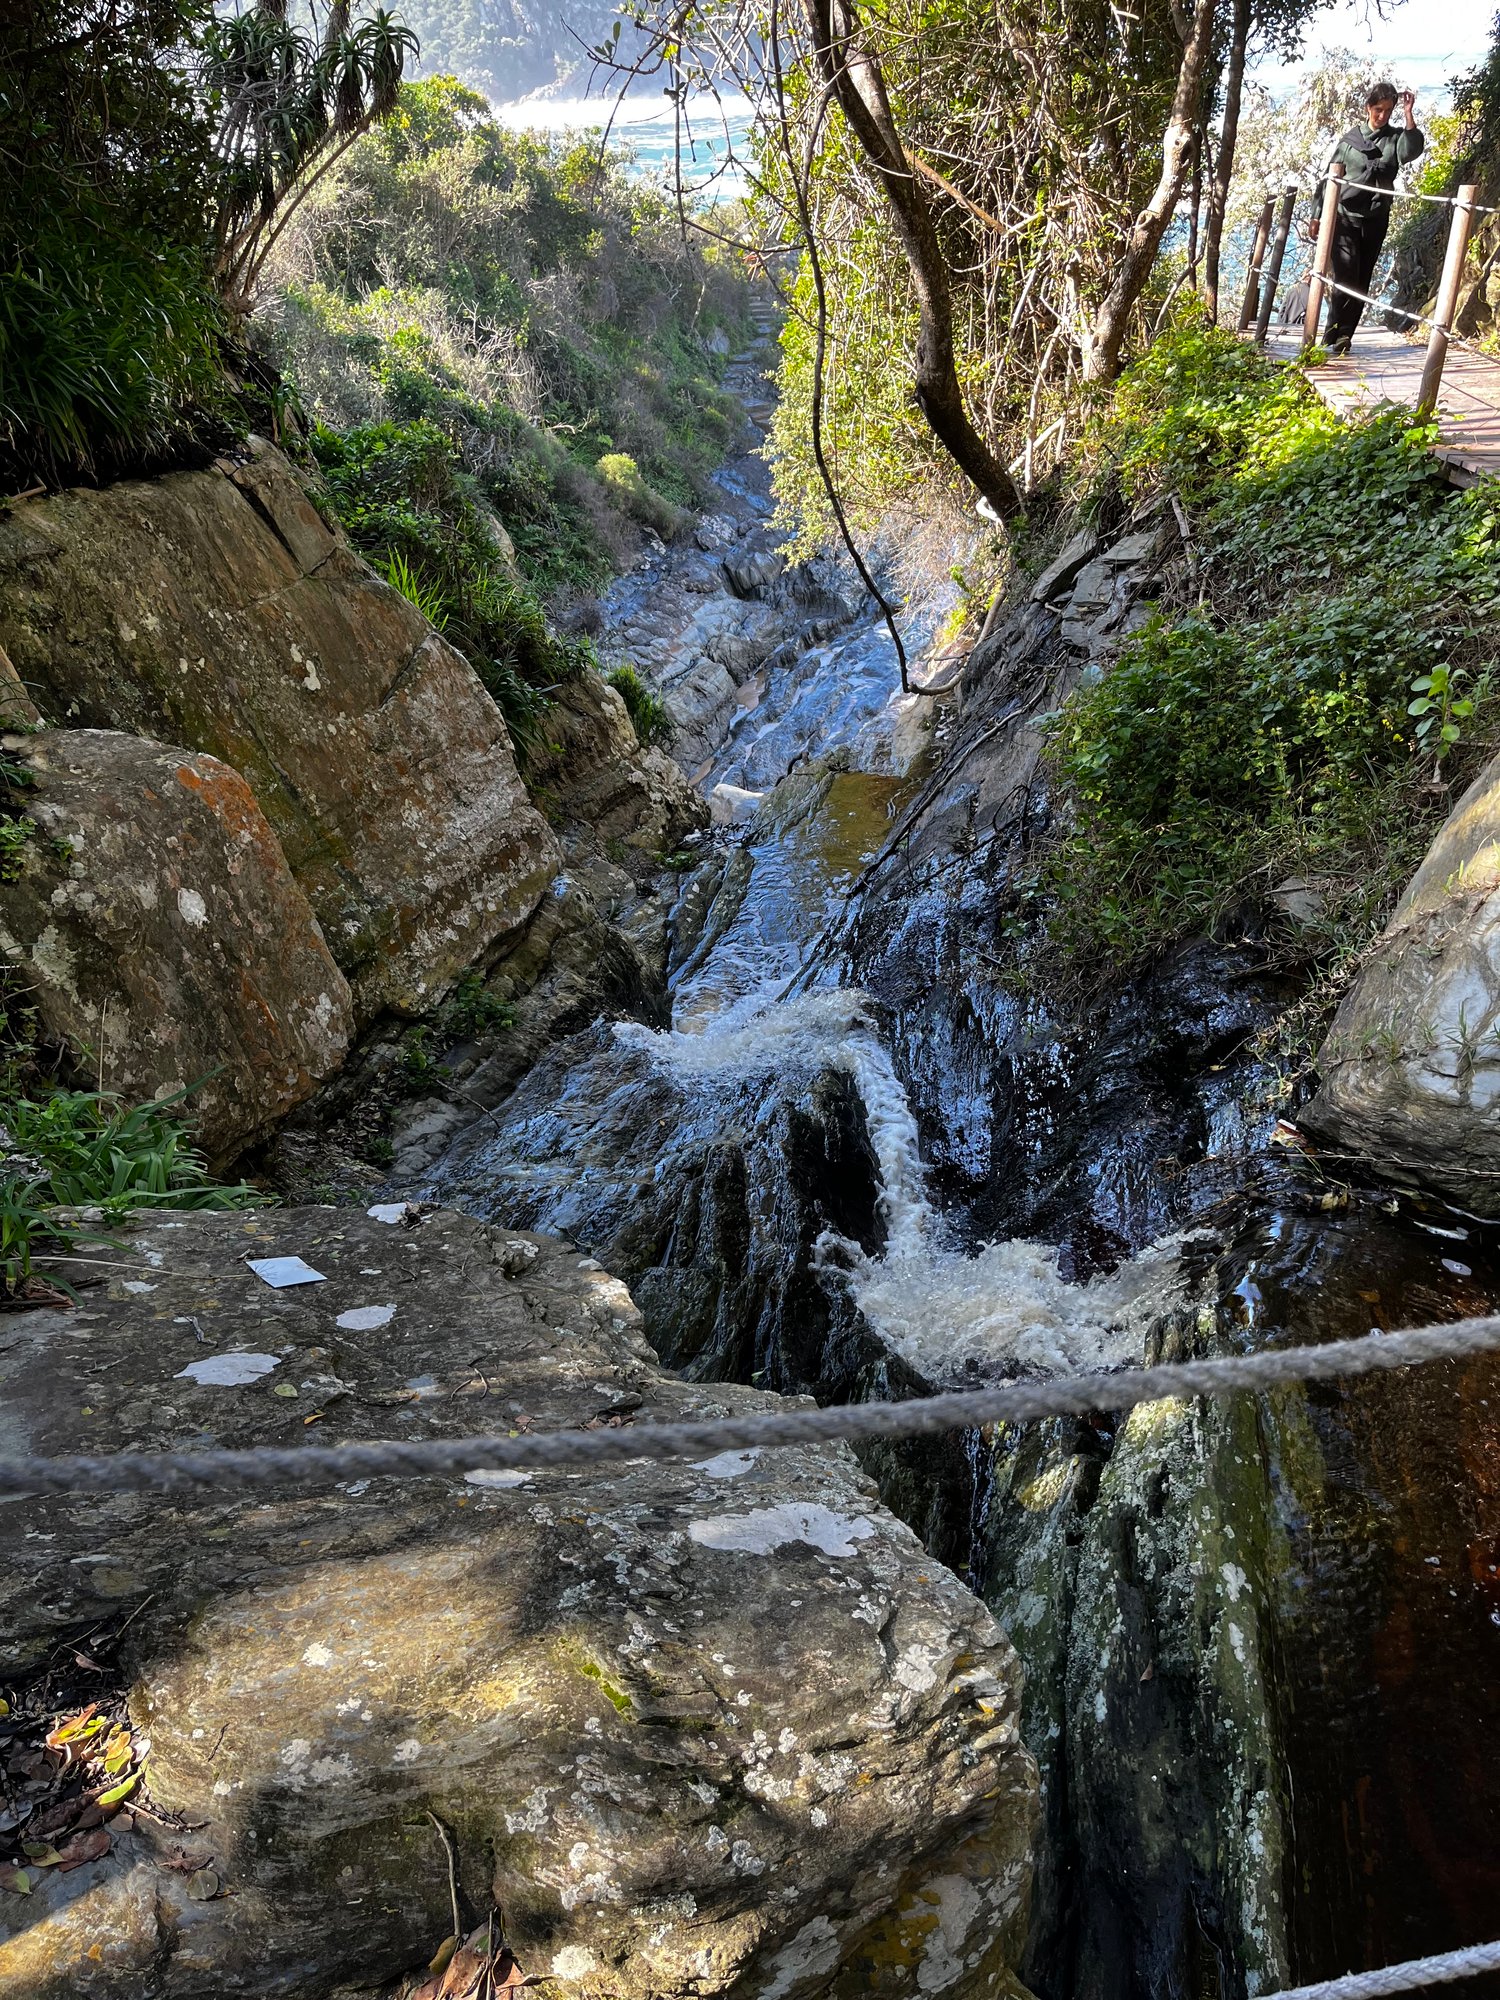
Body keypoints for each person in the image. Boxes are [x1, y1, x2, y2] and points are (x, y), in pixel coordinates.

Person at [1319, 82, 1424, 354]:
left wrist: (1409, 113)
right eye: (1378, 110)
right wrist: (1317, 216)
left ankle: (1344, 337)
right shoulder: (1349, 142)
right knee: (1345, 276)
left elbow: (1410, 151)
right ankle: (1331, 333)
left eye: (1388, 111)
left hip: (1376, 219)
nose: (1382, 116)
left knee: (1362, 278)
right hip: (1345, 218)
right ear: (1368, 107)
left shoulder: (1395, 138)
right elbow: (1327, 180)